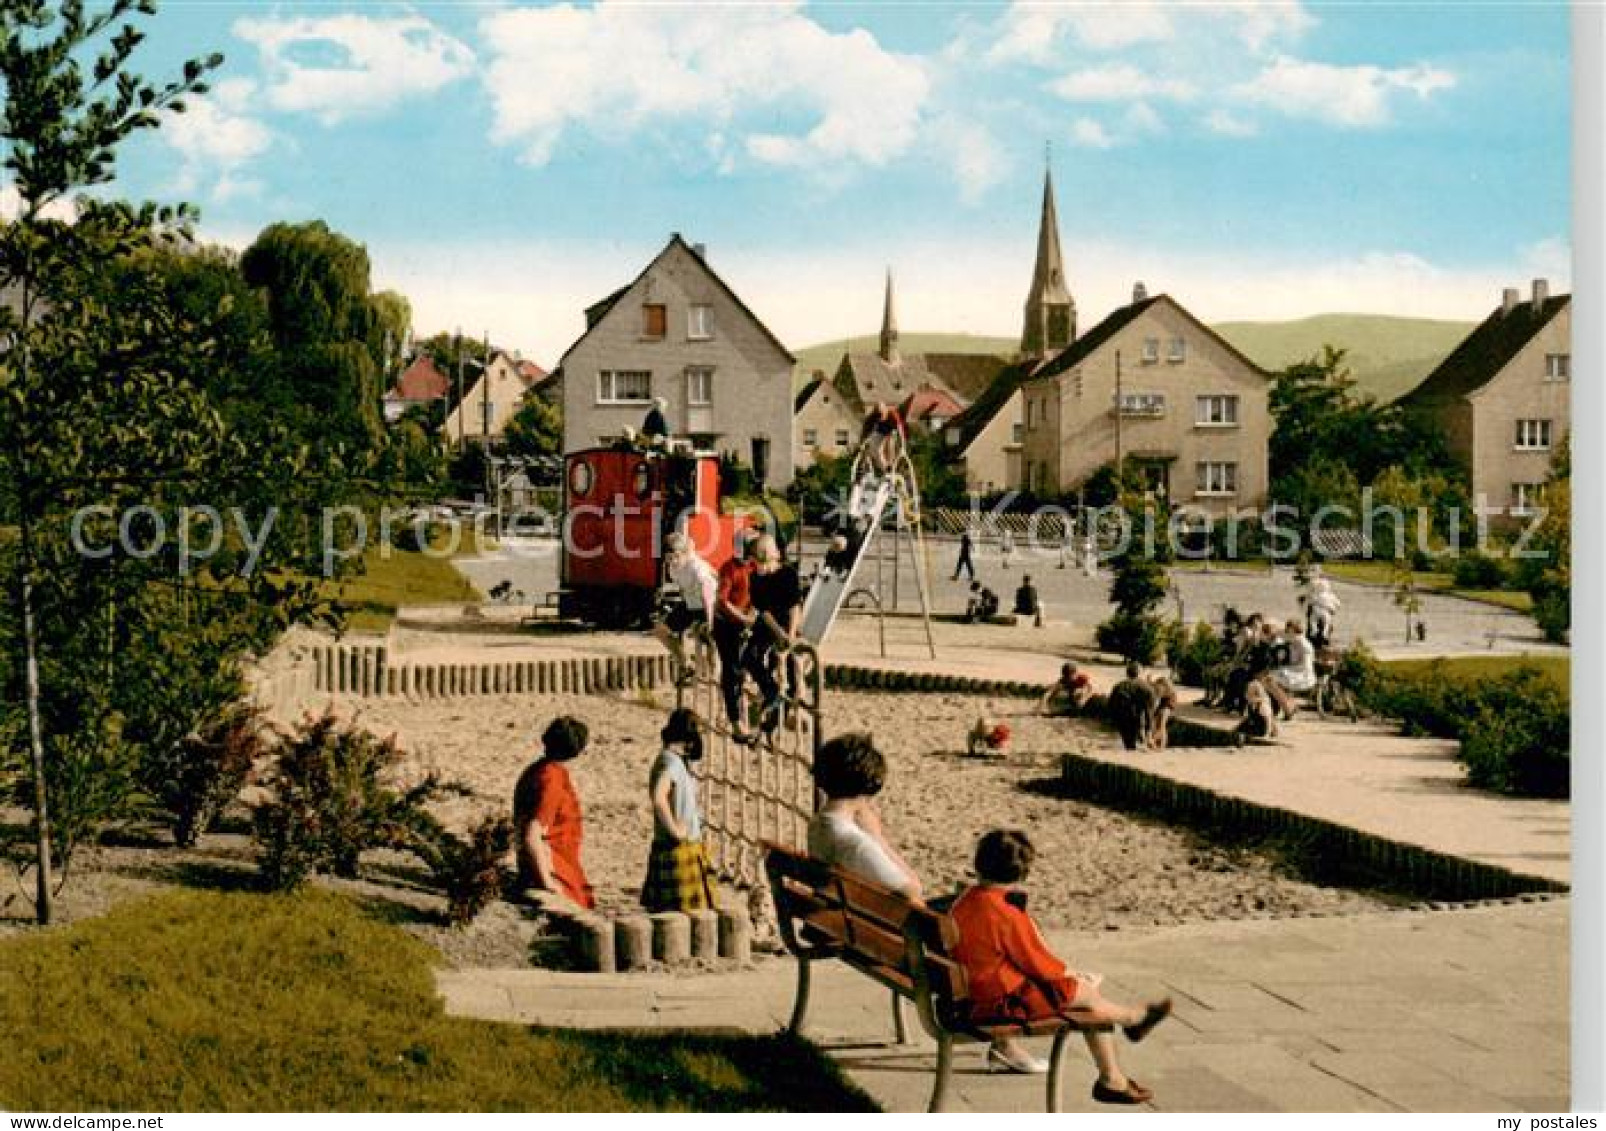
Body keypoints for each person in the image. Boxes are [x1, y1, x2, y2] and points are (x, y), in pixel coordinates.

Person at [949, 829, 1171, 1095]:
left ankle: (1117, 1067)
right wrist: (1073, 976)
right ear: (1022, 875)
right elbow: (1037, 964)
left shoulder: (965, 900)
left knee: (1080, 991)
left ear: (979, 864)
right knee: (1085, 995)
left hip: (971, 993)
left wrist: (1071, 976)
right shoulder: (1005, 914)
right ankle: (1128, 1030)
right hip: (996, 1003)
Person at [806, 733, 921, 901]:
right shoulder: (853, 843)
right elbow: (913, 893)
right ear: (868, 786)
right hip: (871, 925)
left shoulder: (816, 825)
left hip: (839, 921)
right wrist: (877, 837)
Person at [513, 717, 595, 910]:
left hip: (554, 863)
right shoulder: (551, 780)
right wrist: (547, 881)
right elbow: (532, 835)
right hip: (555, 867)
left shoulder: (536, 770)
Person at [640, 709, 716, 912]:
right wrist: (675, 830)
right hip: (678, 851)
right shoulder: (671, 762)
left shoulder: (670, 759)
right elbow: (658, 797)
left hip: (676, 848)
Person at [713, 539, 776, 742]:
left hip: (747, 618)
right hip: (726, 623)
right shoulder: (729, 568)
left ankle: (767, 693)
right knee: (731, 669)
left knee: (757, 656)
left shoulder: (753, 567)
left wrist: (753, 615)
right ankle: (735, 721)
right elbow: (722, 601)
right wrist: (744, 619)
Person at [748, 533, 802, 735]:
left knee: (790, 669)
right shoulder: (755, 578)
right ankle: (769, 690)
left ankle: (783, 715)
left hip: (788, 623)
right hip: (769, 626)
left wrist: (790, 633)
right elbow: (764, 611)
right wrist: (779, 634)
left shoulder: (788, 574)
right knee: (749, 655)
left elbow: (794, 606)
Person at [655, 532, 717, 681]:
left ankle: (714, 673)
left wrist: (710, 622)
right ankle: (686, 664)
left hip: (710, 604)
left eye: (676, 557)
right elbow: (683, 589)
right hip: (690, 604)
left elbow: (707, 595)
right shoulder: (672, 568)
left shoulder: (697, 568)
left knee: (709, 638)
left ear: (685, 553)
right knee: (660, 630)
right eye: (670, 558)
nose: (673, 561)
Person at [1107, 662, 1158, 751]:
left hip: (1121, 719)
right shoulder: (1147, 688)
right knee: (1138, 743)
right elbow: (1149, 712)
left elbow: (1110, 705)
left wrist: (1113, 721)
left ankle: (1134, 748)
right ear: (1140, 673)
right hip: (1136, 719)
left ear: (1127, 673)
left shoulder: (1118, 686)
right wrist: (1149, 730)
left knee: (1129, 744)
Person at [1271, 620, 1317, 697]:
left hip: (1303, 676)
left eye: (1290, 632)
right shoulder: (1293, 641)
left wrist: (1286, 668)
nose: (1288, 634)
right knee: (1271, 674)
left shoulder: (1305, 646)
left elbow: (1306, 667)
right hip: (1293, 671)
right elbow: (1280, 634)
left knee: (1273, 676)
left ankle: (1284, 702)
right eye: (1287, 631)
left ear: (1296, 631)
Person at [860, 401, 906, 473]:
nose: (885, 411)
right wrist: (865, 441)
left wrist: (903, 441)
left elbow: (900, 426)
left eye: (885, 408)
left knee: (890, 446)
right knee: (879, 450)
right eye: (882, 410)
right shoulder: (876, 416)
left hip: (890, 433)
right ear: (879, 411)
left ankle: (891, 466)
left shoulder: (893, 413)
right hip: (880, 433)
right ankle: (885, 468)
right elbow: (870, 429)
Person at [1307, 576, 1341, 649]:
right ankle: (1324, 634)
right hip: (1326, 611)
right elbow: (1338, 603)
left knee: (1313, 621)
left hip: (1316, 610)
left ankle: (1314, 630)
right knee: (1327, 623)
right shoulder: (1331, 595)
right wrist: (1334, 607)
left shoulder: (1315, 595)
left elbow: (1311, 602)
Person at [1148, 674, 1178, 750]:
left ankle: (1155, 742)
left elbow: (1157, 699)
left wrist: (1152, 739)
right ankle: (1161, 745)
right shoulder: (1160, 685)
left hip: (1168, 704)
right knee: (1159, 724)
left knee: (1161, 725)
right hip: (1165, 703)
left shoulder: (1164, 689)